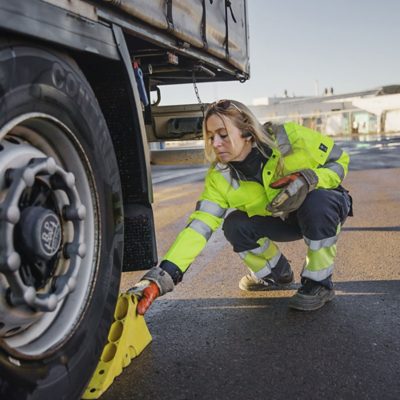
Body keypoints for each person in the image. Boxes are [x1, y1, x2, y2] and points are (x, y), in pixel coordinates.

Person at [130, 99, 352, 313]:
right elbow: (200, 226)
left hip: (321, 209)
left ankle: (318, 283)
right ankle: (275, 273)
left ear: (247, 132)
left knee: (317, 203)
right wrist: (163, 276)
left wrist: (309, 179)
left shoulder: (291, 137)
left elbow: (339, 161)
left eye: (223, 135)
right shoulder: (220, 177)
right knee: (234, 225)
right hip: (284, 220)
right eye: (210, 137)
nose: (215, 144)